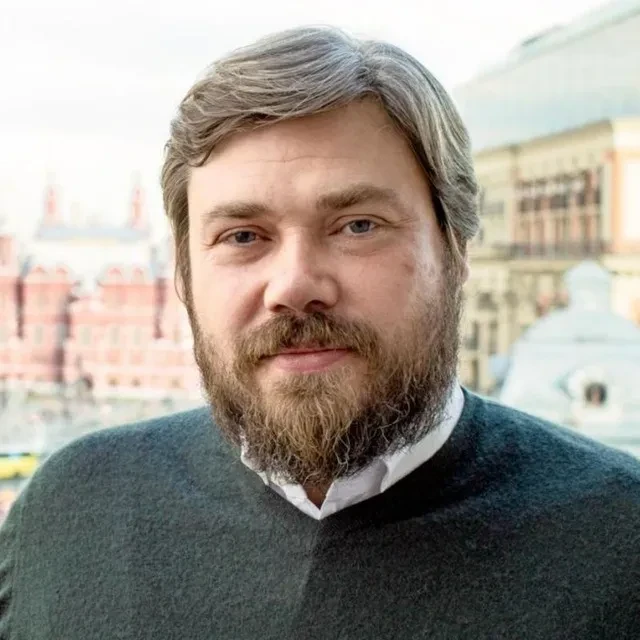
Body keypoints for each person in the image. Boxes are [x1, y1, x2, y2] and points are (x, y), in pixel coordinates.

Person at [1, 26, 639, 640]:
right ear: (185, 274)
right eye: (242, 236)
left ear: (455, 248)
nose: (295, 285)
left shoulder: (620, 542)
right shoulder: (68, 515)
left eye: (358, 226)